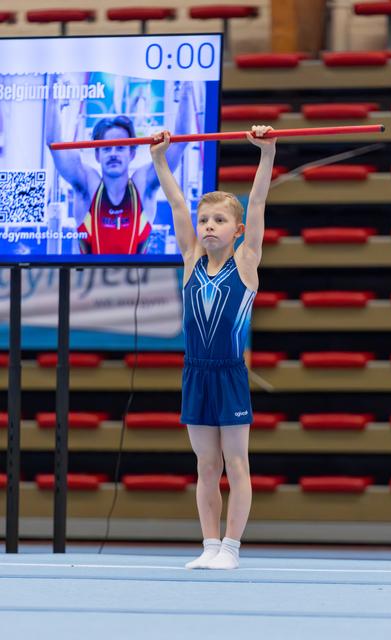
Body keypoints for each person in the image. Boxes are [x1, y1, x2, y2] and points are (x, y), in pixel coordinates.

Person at [150, 125, 277, 569]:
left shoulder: (246, 262)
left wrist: (267, 153)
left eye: (219, 220)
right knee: (206, 466)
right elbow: (176, 204)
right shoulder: (190, 261)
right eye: (205, 220)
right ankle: (208, 547)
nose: (207, 226)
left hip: (228, 373)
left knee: (236, 463)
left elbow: (258, 201)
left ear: (238, 230)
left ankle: (232, 548)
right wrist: (160, 160)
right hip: (195, 373)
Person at [46, 80, 192, 254]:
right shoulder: (88, 185)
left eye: (120, 147)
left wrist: (186, 88)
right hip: (88, 281)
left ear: (131, 154)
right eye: (107, 148)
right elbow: (54, 144)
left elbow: (181, 140)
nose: (113, 154)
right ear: (97, 155)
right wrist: (52, 94)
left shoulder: (142, 184)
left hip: (137, 281)